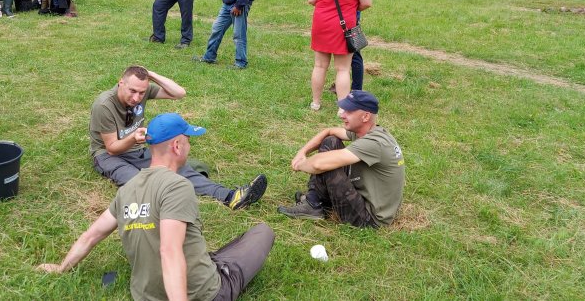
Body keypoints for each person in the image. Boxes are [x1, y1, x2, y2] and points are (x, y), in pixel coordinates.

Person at [39, 113, 275, 301]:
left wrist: (62, 267)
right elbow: (169, 252)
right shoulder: (178, 187)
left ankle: (210, 262)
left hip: (145, 295)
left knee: (208, 251)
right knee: (262, 232)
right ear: (176, 146)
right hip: (203, 294)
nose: (189, 146)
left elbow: (91, 236)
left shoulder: (127, 189)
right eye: (188, 140)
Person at [90, 65, 266, 209]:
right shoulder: (104, 105)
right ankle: (169, 204)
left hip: (136, 148)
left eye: (142, 93)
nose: (137, 98)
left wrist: (150, 74)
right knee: (140, 182)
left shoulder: (142, 90)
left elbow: (179, 93)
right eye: (133, 91)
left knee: (177, 167)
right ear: (121, 83)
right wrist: (133, 139)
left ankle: (231, 197)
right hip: (107, 155)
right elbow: (112, 148)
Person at [278, 91, 404, 228]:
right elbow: (329, 131)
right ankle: (314, 201)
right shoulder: (368, 132)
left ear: (366, 116)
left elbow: (319, 164)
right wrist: (302, 152)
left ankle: (314, 204)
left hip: (370, 218)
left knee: (328, 163)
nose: (342, 115)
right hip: (364, 198)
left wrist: (300, 164)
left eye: (349, 111)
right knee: (331, 142)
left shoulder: (374, 143)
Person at [307, 0, 372, 112]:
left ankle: (315, 103)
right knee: (343, 69)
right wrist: (351, 7)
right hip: (344, 26)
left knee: (320, 66)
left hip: (321, 24)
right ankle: (342, 108)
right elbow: (367, 2)